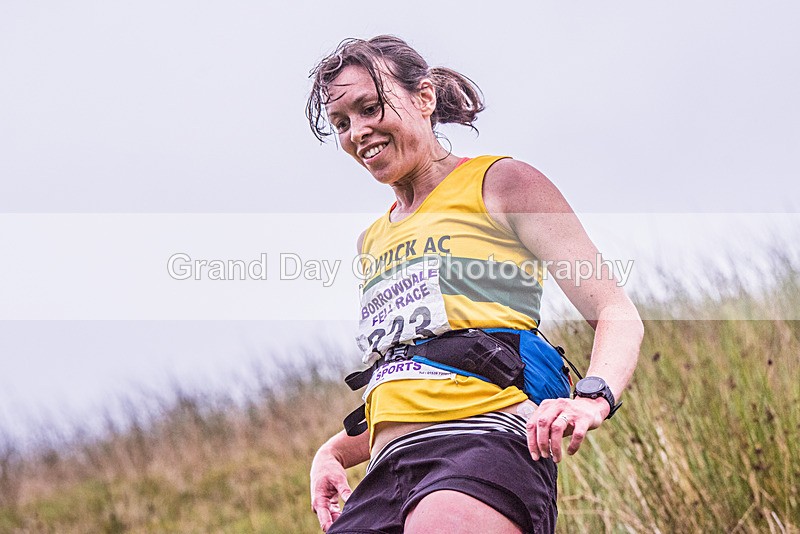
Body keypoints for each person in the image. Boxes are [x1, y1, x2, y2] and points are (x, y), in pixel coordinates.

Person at [305, 35, 643, 534]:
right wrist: (332, 451)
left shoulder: (502, 183)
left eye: (370, 107)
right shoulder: (372, 240)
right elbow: (414, 370)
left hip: (482, 446)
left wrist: (591, 398)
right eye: (342, 123)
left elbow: (615, 313)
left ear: (423, 98)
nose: (358, 131)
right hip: (385, 470)